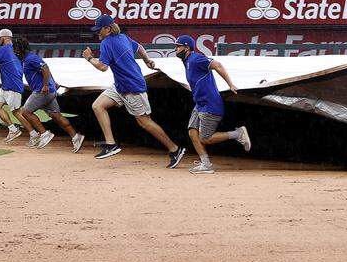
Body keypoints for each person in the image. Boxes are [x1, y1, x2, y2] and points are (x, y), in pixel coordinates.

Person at [82, 14, 186, 165]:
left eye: (99, 30)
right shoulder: (123, 37)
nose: (97, 32)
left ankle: (175, 149)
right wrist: (147, 60)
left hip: (132, 87)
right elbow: (140, 48)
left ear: (108, 29)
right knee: (98, 105)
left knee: (145, 122)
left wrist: (89, 58)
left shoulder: (107, 43)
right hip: (121, 85)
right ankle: (111, 144)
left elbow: (103, 67)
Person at [174, 35, 251, 174]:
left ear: (187, 47)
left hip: (210, 104)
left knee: (205, 138)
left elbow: (218, 65)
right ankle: (206, 164)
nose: (175, 49)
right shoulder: (186, 61)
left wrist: (230, 84)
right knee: (192, 132)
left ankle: (237, 133)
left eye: (178, 46)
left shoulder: (196, 58)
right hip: (199, 104)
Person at [15, 36, 84, 152]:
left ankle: (44, 133)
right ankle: (76, 137)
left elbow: (45, 68)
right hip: (49, 91)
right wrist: (53, 82)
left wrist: (46, 85)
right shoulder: (27, 59)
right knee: (56, 116)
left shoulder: (30, 58)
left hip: (43, 91)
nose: (14, 51)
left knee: (25, 112)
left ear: (20, 48)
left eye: (15, 49)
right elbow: (45, 68)